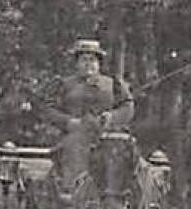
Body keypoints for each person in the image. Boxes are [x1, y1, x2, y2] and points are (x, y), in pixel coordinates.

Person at [43, 39, 134, 187]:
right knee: (72, 156)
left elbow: (127, 106)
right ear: (76, 63)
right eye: (83, 60)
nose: (88, 64)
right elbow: (49, 109)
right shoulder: (64, 84)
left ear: (99, 63)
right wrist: (68, 122)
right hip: (75, 139)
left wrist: (112, 117)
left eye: (92, 60)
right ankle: (73, 192)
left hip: (109, 137)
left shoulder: (112, 84)